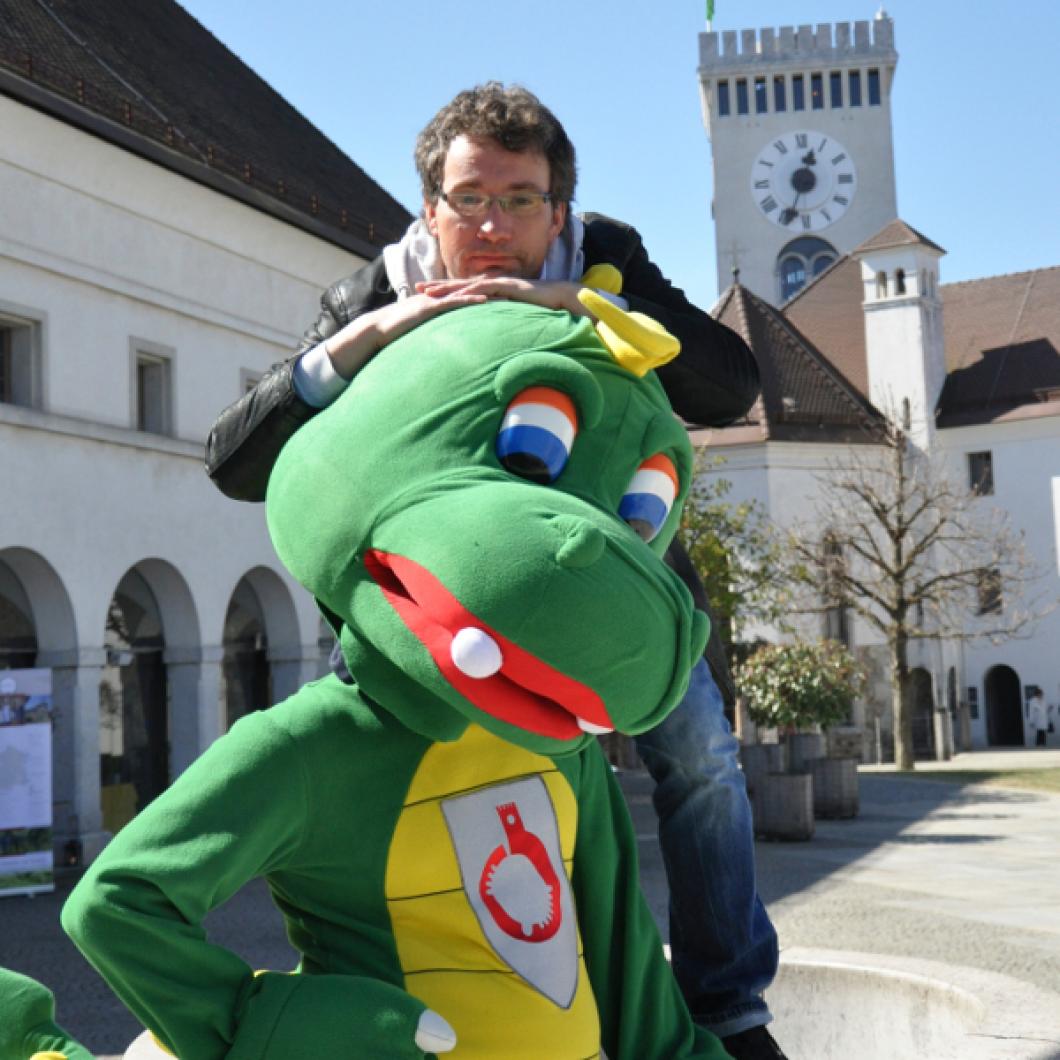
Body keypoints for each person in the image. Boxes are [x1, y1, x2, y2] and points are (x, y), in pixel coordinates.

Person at [206, 83, 786, 1060]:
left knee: (701, 758)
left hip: (609, 591)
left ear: (557, 210)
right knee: (354, 767)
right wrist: (365, 341)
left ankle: (725, 1005)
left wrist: (581, 302)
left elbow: (731, 385)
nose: (490, 222)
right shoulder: (376, 289)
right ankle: (373, 980)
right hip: (429, 610)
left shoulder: (604, 255)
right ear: (429, 206)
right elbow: (235, 460)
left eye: (518, 200)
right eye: (467, 198)